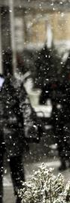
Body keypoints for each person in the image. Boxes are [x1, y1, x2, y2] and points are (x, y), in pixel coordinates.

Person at [0, 74, 39, 203]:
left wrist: (28, 129)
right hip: (9, 131)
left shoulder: (13, 83)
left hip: (13, 131)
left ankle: (21, 195)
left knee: (16, 165)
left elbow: (25, 107)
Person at [39, 72, 70, 171]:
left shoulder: (65, 86)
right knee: (60, 140)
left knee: (66, 140)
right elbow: (42, 100)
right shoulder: (50, 88)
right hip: (57, 117)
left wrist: (62, 101)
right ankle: (64, 160)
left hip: (65, 116)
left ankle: (68, 160)